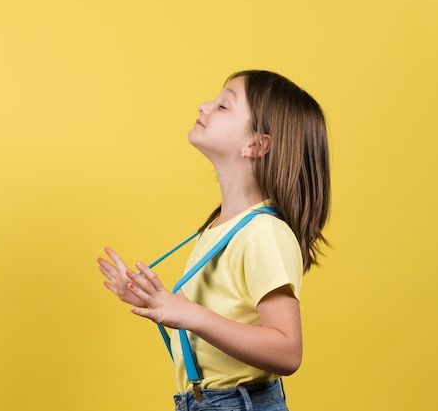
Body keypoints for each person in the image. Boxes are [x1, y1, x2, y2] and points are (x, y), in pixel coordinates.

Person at [97, 70, 330, 411]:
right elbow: (213, 318)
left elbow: (287, 351)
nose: (204, 106)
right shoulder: (219, 227)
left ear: (256, 144)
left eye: (224, 106)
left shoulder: (263, 233)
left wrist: (188, 314)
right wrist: (151, 300)